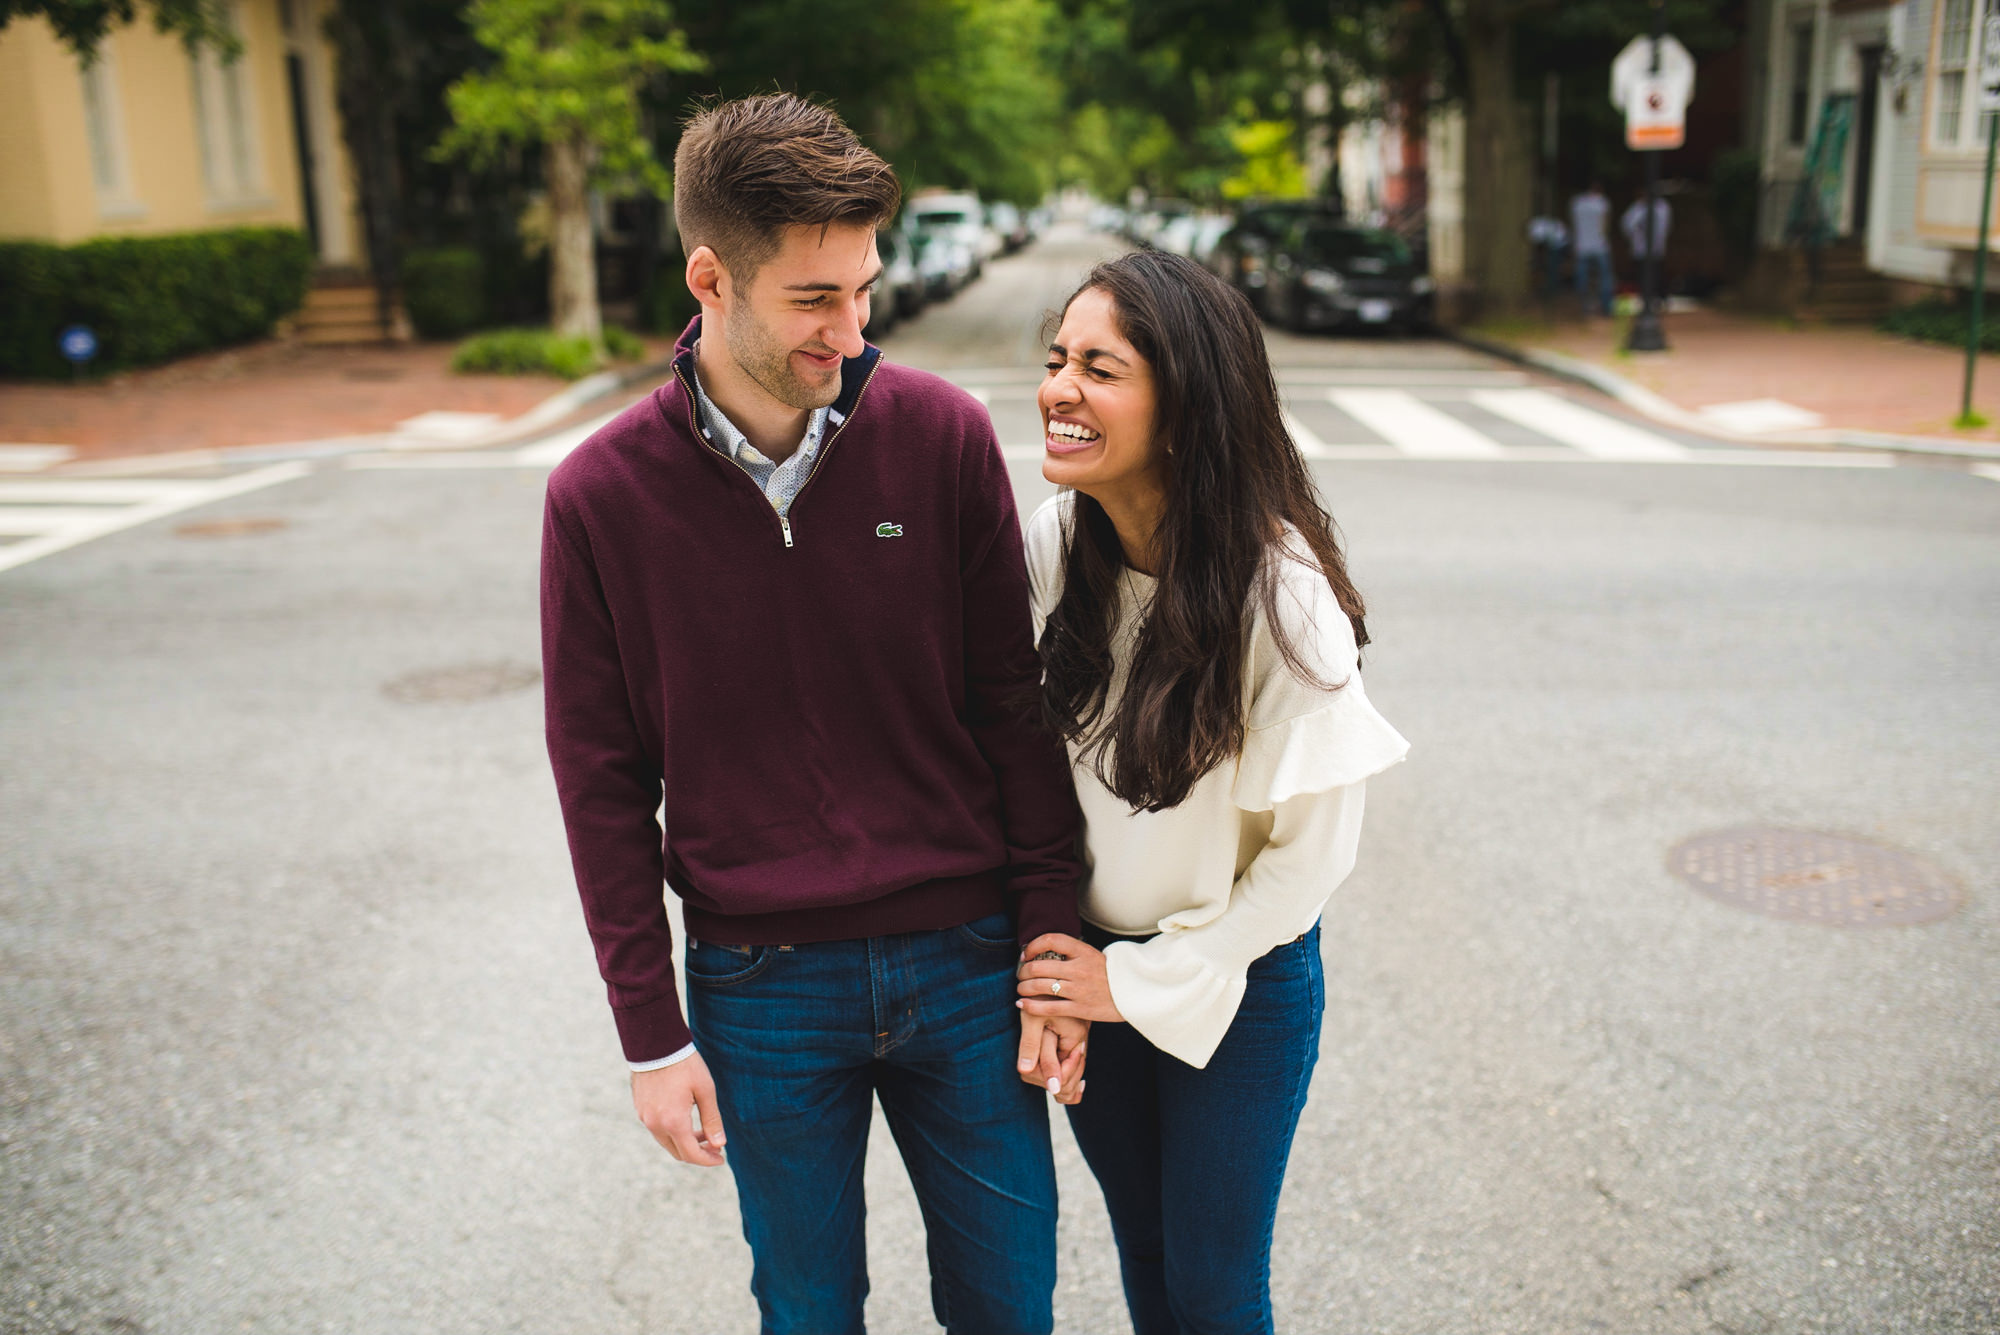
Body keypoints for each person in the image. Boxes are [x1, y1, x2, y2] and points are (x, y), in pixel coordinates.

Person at [540, 93, 1087, 1335]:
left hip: (965, 961)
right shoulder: (598, 499)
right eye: (811, 300)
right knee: (805, 1310)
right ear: (708, 278)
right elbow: (602, 778)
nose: (849, 330)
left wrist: (1048, 942)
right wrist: (647, 1034)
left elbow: (1013, 706)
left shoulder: (941, 439)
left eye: (863, 289)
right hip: (758, 980)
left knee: (1010, 1307)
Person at [1013, 250, 1410, 1335]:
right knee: (1146, 1256)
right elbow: (1012, 770)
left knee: (1214, 1283)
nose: (1059, 389)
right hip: (1092, 964)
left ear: (1184, 407)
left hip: (1237, 982)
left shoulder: (1280, 597)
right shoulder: (1054, 544)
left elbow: (1310, 862)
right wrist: (1066, 971)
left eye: (1100, 368)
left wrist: (1141, 983)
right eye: (1056, 360)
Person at [1569, 181, 1613, 318]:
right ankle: (1606, 307)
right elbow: (1605, 225)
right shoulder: (1602, 202)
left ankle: (1584, 308)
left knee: (1582, 278)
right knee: (1605, 277)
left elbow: (1574, 224)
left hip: (1582, 246)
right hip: (1600, 246)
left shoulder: (1576, 203)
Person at [1621, 191, 1673, 295]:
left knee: (1657, 275)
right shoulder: (1637, 208)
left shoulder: (1662, 207)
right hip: (1640, 250)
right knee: (1641, 276)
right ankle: (1644, 296)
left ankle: (1659, 297)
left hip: (1656, 250)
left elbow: (1665, 227)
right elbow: (1627, 225)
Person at [1527, 211, 1569, 304]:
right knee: (1547, 270)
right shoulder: (1538, 224)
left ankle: (1551, 292)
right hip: (1548, 247)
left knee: (1553, 270)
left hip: (1556, 247)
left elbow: (1561, 238)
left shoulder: (1543, 225)